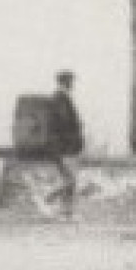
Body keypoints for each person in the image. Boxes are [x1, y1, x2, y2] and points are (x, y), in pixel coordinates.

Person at [47, 71, 84, 217]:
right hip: (64, 147)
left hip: (64, 146)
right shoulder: (60, 98)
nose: (73, 84)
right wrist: (76, 130)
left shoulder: (60, 98)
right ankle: (51, 198)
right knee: (70, 181)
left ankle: (66, 211)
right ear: (65, 82)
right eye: (71, 81)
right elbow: (65, 122)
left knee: (70, 181)